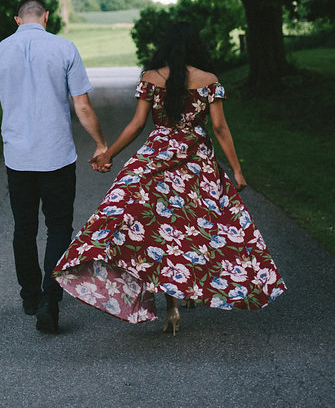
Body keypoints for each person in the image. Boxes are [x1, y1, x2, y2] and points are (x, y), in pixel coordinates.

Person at [53, 22, 286, 335]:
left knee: (159, 228)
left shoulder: (150, 79)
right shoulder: (209, 81)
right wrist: (237, 168)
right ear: (195, 47)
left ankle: (172, 306)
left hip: (158, 156)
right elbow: (219, 128)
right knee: (195, 227)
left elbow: (137, 126)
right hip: (197, 160)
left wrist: (109, 155)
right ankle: (189, 290)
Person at [0, 0, 109, 334]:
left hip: (18, 158)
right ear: (46, 17)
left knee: (24, 227)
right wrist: (101, 144)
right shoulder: (64, 49)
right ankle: (51, 297)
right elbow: (83, 106)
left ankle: (30, 297)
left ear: (17, 20)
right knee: (58, 226)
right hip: (57, 155)